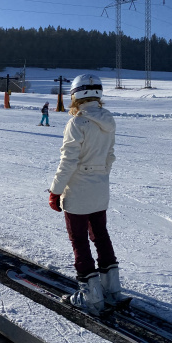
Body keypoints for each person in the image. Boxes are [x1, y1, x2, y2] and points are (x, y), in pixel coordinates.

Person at [48, 74, 125, 316]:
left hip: (78, 191)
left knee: (79, 241)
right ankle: (112, 289)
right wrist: (100, 176)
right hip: (100, 189)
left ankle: (90, 296)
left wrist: (55, 191)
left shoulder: (77, 123)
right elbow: (110, 156)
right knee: (101, 236)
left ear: (75, 95)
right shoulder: (108, 120)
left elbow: (68, 161)